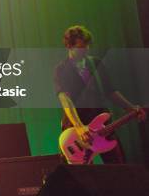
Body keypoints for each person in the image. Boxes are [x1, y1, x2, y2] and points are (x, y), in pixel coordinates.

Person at [54, 25, 146, 163]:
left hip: (102, 125)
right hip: (77, 129)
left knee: (119, 168)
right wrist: (79, 127)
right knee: (84, 176)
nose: (85, 50)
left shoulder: (96, 63)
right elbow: (65, 99)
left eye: (87, 46)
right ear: (69, 46)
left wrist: (131, 108)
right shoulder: (61, 70)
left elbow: (111, 91)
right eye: (81, 47)